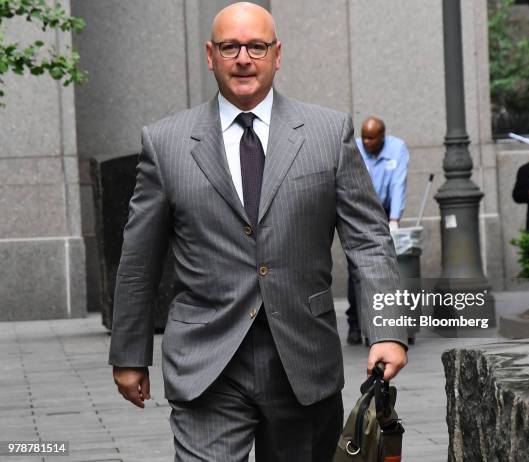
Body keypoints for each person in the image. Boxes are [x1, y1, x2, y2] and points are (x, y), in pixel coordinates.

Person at [108, 3, 408, 461]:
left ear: (277, 54)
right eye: (230, 47)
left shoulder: (328, 133)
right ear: (211, 55)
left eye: (256, 46)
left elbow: (368, 239)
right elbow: (138, 258)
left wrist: (387, 327)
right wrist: (129, 353)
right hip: (206, 364)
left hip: (303, 362)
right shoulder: (165, 142)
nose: (243, 58)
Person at [345, 117, 409, 345]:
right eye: (364, 137)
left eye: (371, 138)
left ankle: (390, 323)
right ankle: (355, 322)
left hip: (385, 209)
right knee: (357, 267)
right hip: (359, 208)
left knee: (386, 266)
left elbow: (398, 184)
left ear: (383, 136)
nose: (366, 142)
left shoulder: (397, 148)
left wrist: (394, 221)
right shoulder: (354, 147)